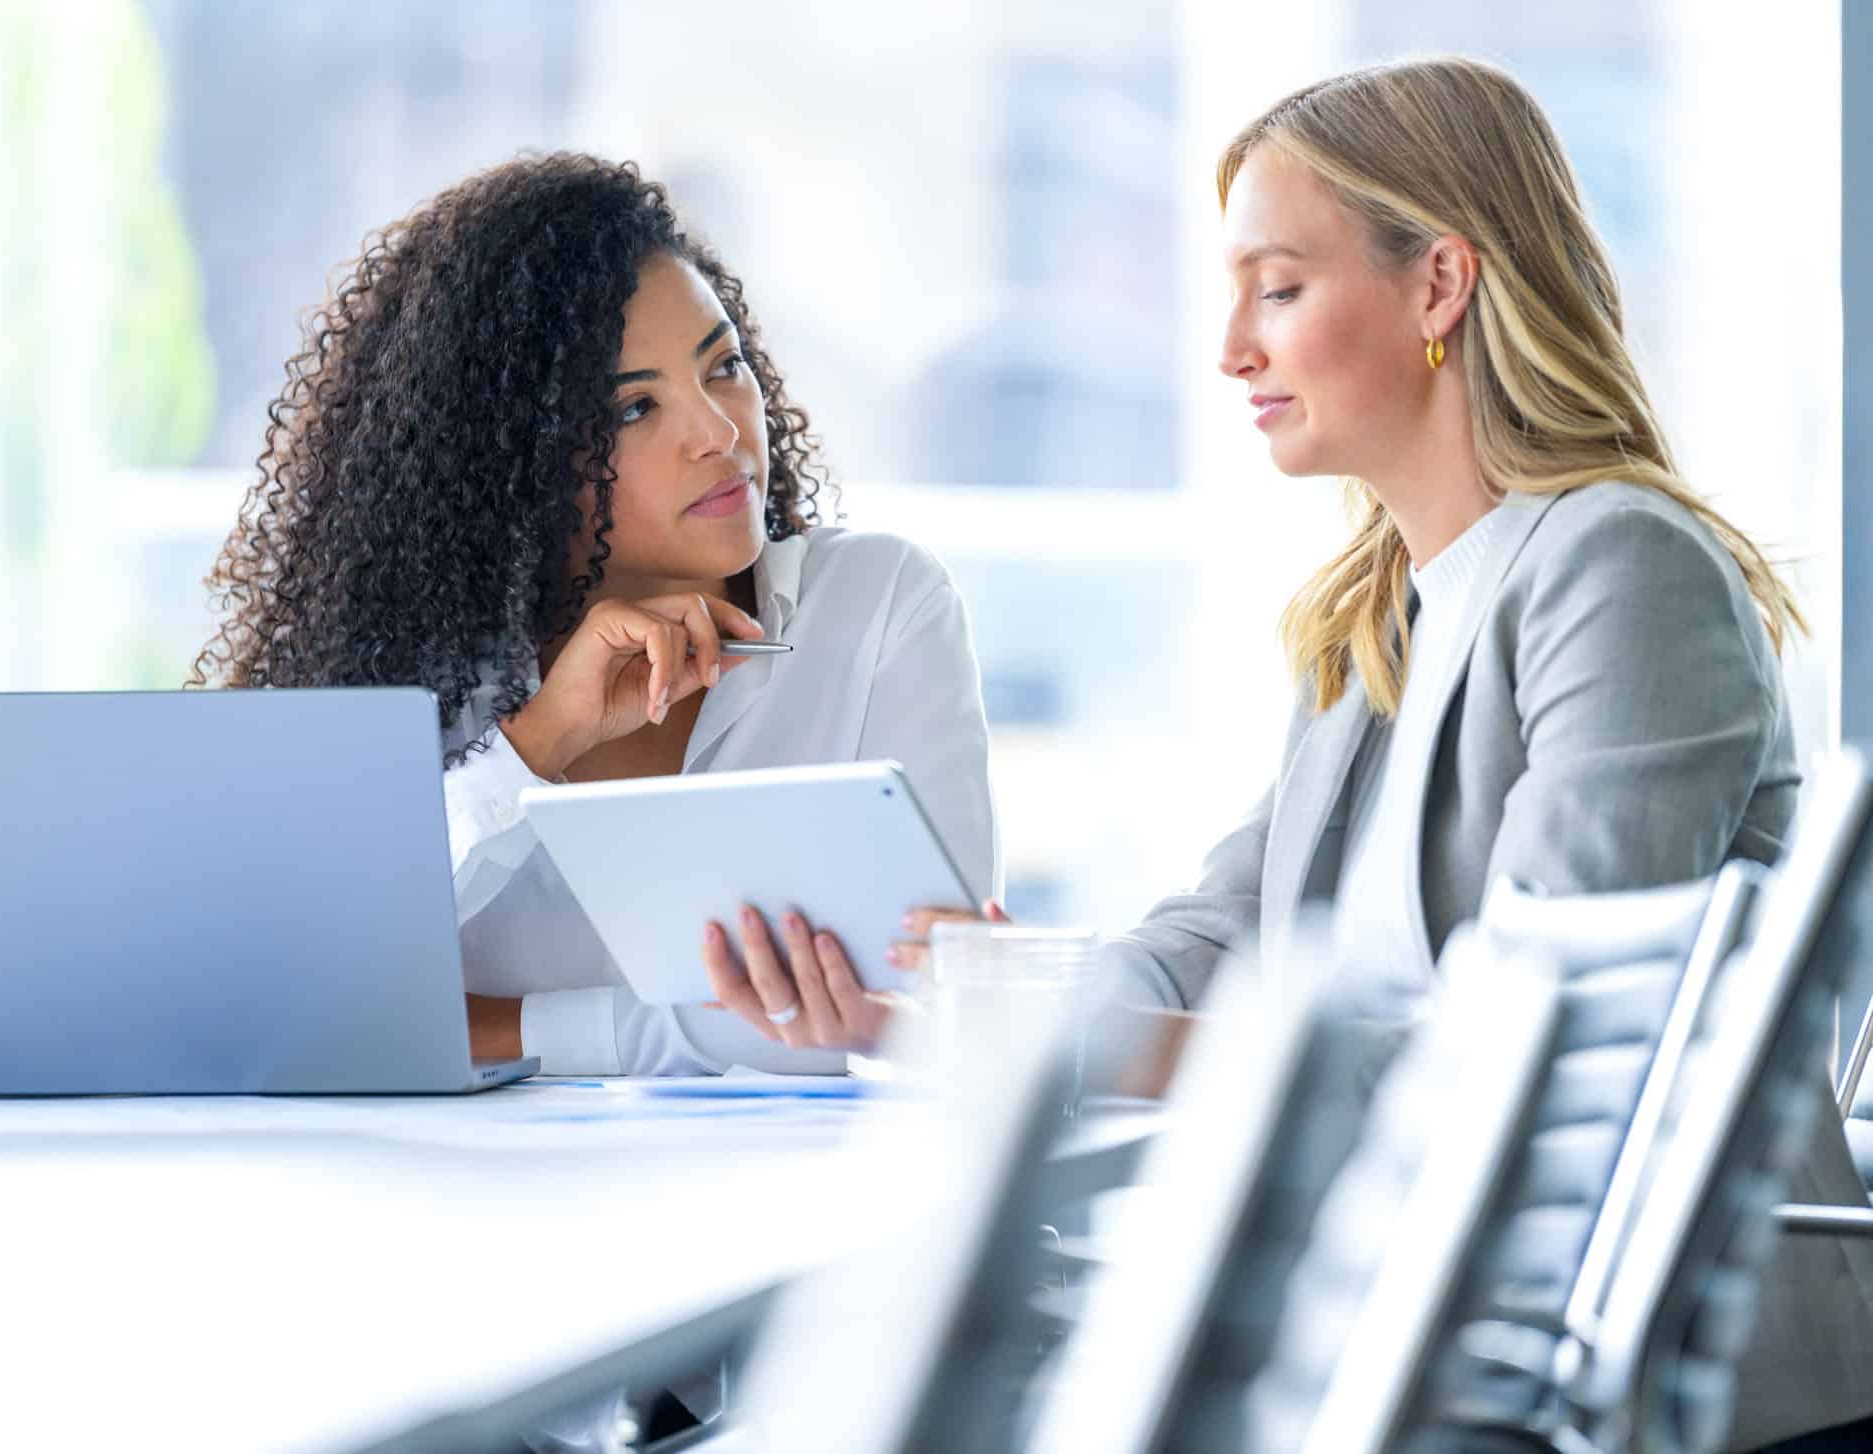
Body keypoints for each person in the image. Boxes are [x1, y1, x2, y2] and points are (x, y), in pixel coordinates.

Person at [695, 59, 1873, 1446]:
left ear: (1438, 286)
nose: (1227, 351)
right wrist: (961, 994)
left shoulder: (1617, 567)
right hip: (1423, 1312)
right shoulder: (1379, 614)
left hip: (1614, 1361)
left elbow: (1516, 1065)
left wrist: (1063, 1045)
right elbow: (1213, 928)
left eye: (1277, 287)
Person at [190, 154, 995, 1077]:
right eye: (633, 409)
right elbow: (282, 991)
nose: (721, 432)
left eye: (723, 365)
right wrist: (536, 744)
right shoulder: (408, 660)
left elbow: (942, 1011)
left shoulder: (878, 609)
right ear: (506, 462)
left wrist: (503, 1030)